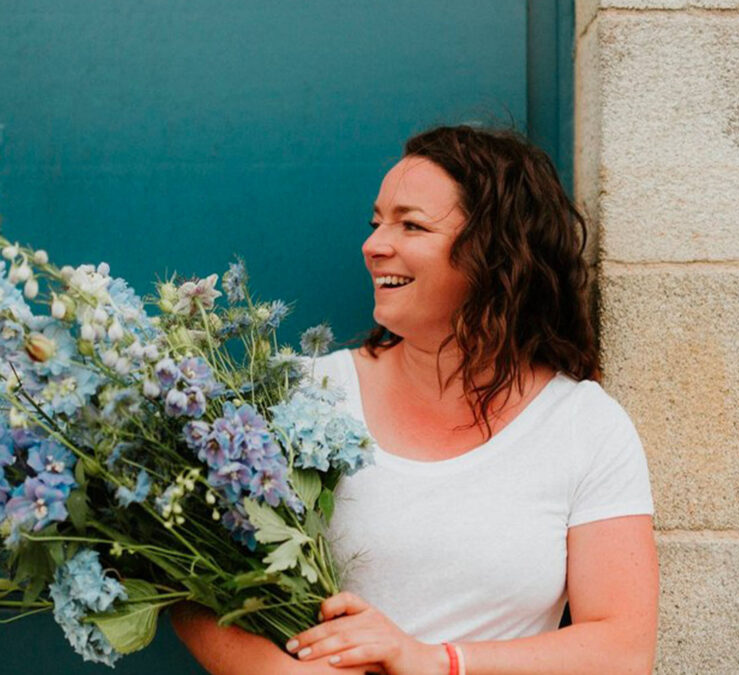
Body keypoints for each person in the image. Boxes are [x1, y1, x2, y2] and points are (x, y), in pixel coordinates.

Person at [171, 125, 659, 675]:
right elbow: (189, 585)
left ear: (496, 253)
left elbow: (623, 650)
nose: (374, 245)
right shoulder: (303, 393)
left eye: (411, 224)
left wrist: (436, 661)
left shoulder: (582, 426)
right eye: (376, 221)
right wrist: (283, 672)